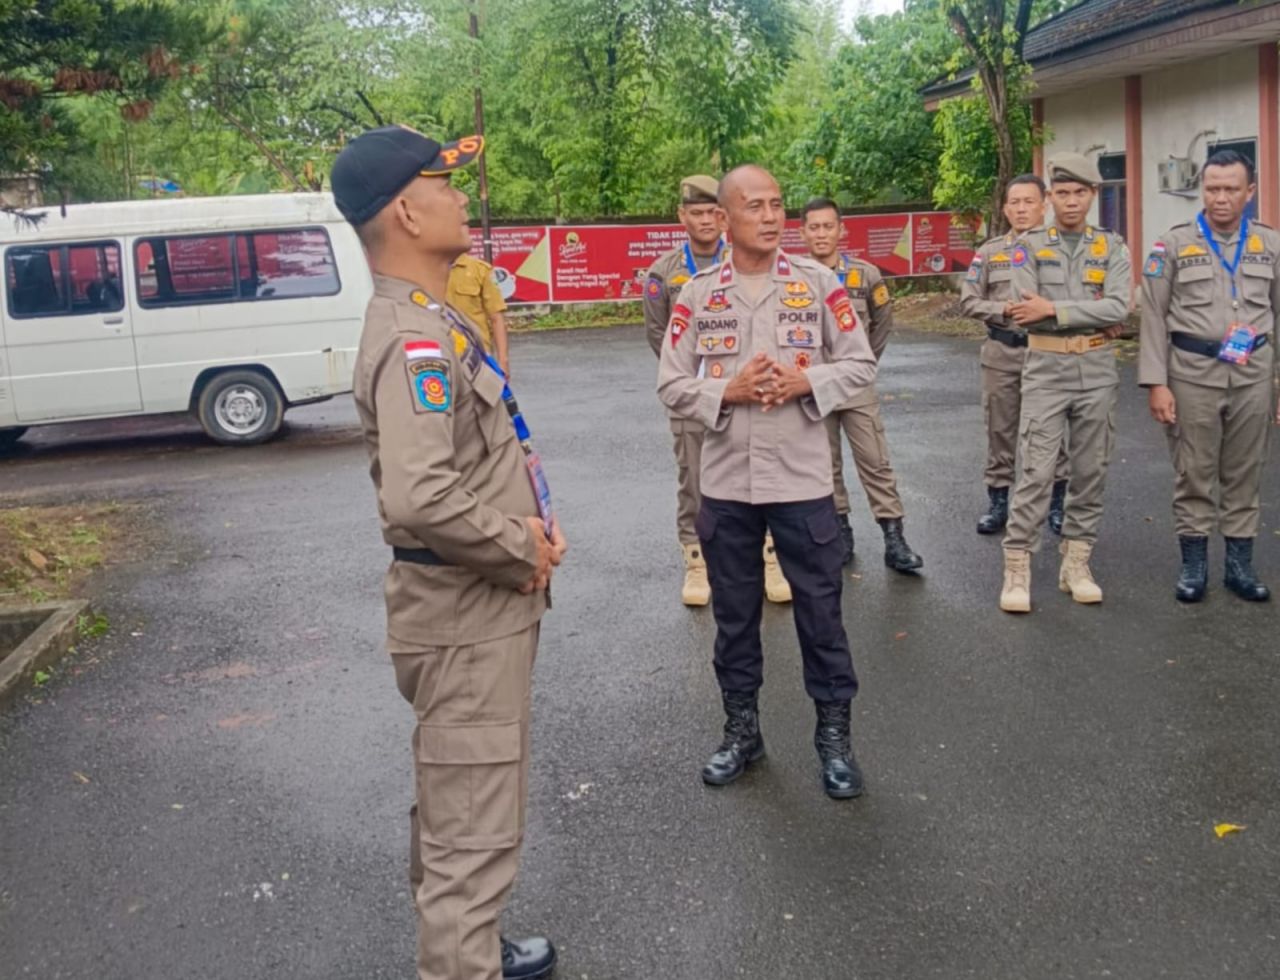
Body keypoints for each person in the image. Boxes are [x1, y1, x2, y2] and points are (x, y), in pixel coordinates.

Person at [332, 124, 566, 980]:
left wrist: (532, 525)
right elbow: (420, 495)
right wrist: (518, 546)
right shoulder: (412, 339)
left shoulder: (431, 314)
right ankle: (462, 959)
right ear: (405, 210)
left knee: (458, 800)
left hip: (475, 603)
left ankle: (473, 942)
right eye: (444, 182)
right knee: (471, 825)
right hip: (465, 613)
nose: (461, 195)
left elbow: (474, 458)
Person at [657, 165, 877, 799]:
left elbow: (860, 363)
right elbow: (671, 383)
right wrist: (728, 389)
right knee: (734, 618)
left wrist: (807, 381)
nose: (773, 216)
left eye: (778, 204)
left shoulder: (820, 282)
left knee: (821, 616)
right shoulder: (697, 294)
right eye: (755, 206)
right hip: (726, 485)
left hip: (802, 482)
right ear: (723, 220)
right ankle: (741, 732)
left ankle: (834, 740)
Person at [643, 175, 792, 605]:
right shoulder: (663, 274)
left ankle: (768, 556)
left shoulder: (748, 259)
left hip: (751, 392)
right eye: (696, 212)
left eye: (712, 212)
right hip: (694, 397)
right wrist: (701, 386)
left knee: (760, 470)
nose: (706, 221)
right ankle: (696, 562)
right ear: (682, 216)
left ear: (724, 216)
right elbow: (660, 337)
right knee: (693, 477)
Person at [1139, 148, 1277, 603]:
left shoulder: (1269, 244)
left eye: (1231, 189)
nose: (1221, 198)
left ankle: (1239, 566)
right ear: (1203, 189)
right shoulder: (1172, 245)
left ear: (1249, 192)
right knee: (1194, 471)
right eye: (1212, 188)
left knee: (1244, 472)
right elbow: (1154, 317)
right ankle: (1194, 565)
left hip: (1253, 373)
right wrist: (1157, 382)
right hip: (1192, 374)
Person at [999, 152, 1132, 613]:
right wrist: (1089, 313)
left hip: (1096, 371)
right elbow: (1021, 308)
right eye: (1063, 193)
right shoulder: (1029, 246)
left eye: (1081, 193)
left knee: (1090, 470)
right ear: (1050, 196)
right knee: (1036, 471)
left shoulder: (1112, 246)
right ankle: (1017, 567)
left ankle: (1076, 562)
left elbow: (1120, 307)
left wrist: (1055, 309)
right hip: (1046, 371)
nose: (1071, 201)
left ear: (1093, 196)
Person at [798, 197, 923, 573]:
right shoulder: (793, 276)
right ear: (803, 232)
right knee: (825, 464)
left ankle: (893, 537)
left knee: (875, 461)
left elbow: (882, 323)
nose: (821, 234)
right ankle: (840, 533)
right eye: (814, 227)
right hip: (814, 385)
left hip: (854, 386)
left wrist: (862, 365)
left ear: (841, 230)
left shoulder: (865, 275)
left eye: (828, 226)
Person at [959, 175, 1071, 536]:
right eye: (1015, 203)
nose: (1021, 209)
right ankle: (998, 502)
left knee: (1052, 431)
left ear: (1045, 204)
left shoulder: (1063, 249)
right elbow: (969, 300)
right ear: (1005, 208)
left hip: (1049, 352)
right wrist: (1002, 309)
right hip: (1002, 351)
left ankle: (1056, 504)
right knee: (1000, 429)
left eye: (1029, 202)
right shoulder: (990, 252)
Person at [448, 251, 511, 377]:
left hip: (477, 354)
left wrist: (503, 361)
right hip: (444, 352)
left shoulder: (480, 270)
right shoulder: (428, 271)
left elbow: (496, 318)